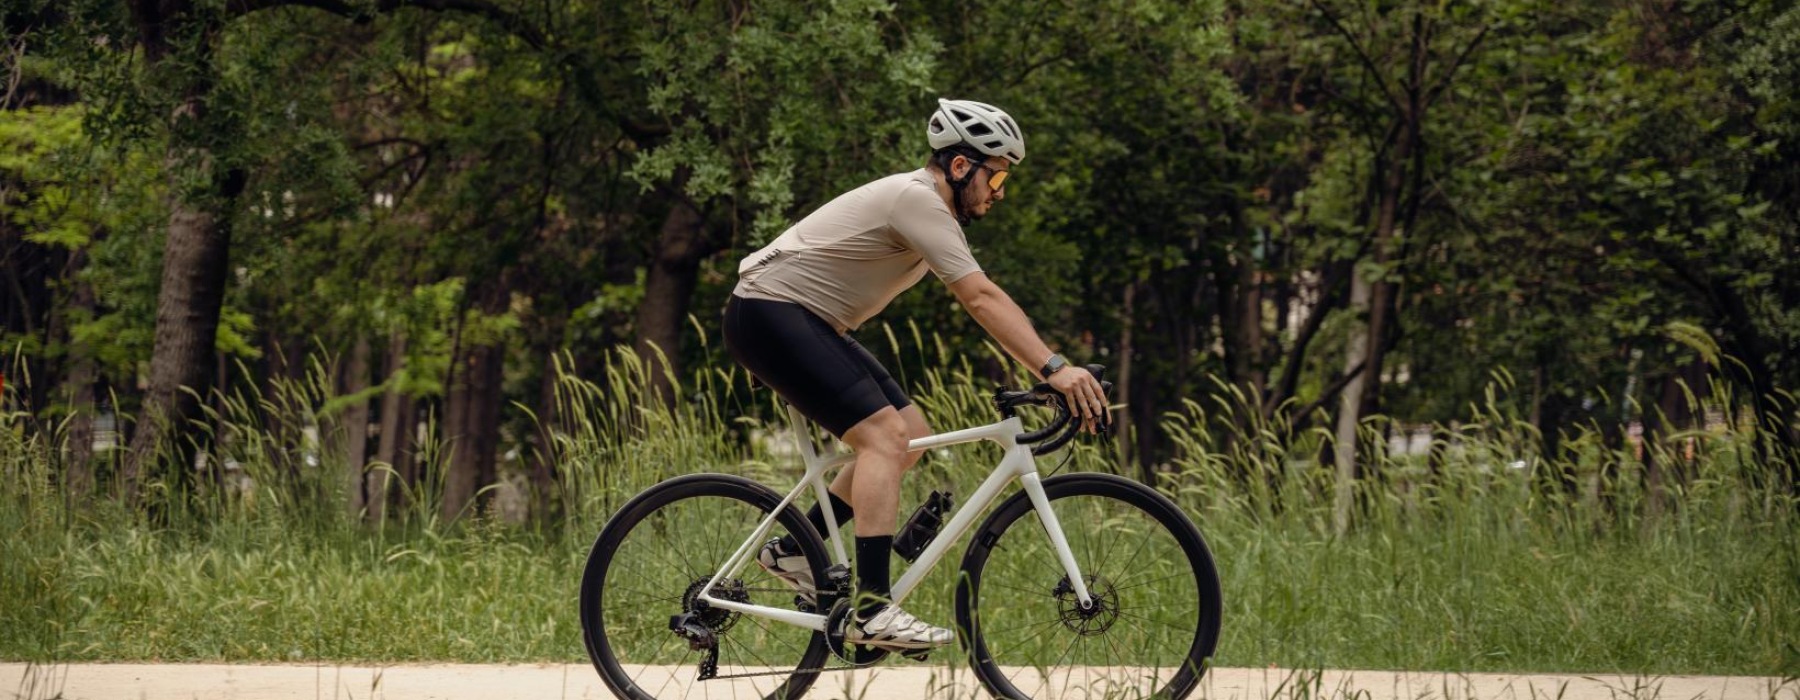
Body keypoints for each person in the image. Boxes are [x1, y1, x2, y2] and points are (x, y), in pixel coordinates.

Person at [722, 98, 1108, 651]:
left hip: (798, 318)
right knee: (883, 436)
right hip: (769, 311)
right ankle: (874, 611)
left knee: (909, 435)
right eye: (996, 175)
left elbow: (980, 298)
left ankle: (792, 551)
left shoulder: (929, 210)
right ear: (959, 167)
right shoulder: (916, 200)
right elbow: (979, 297)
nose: (999, 191)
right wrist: (1054, 368)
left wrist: (1048, 368)